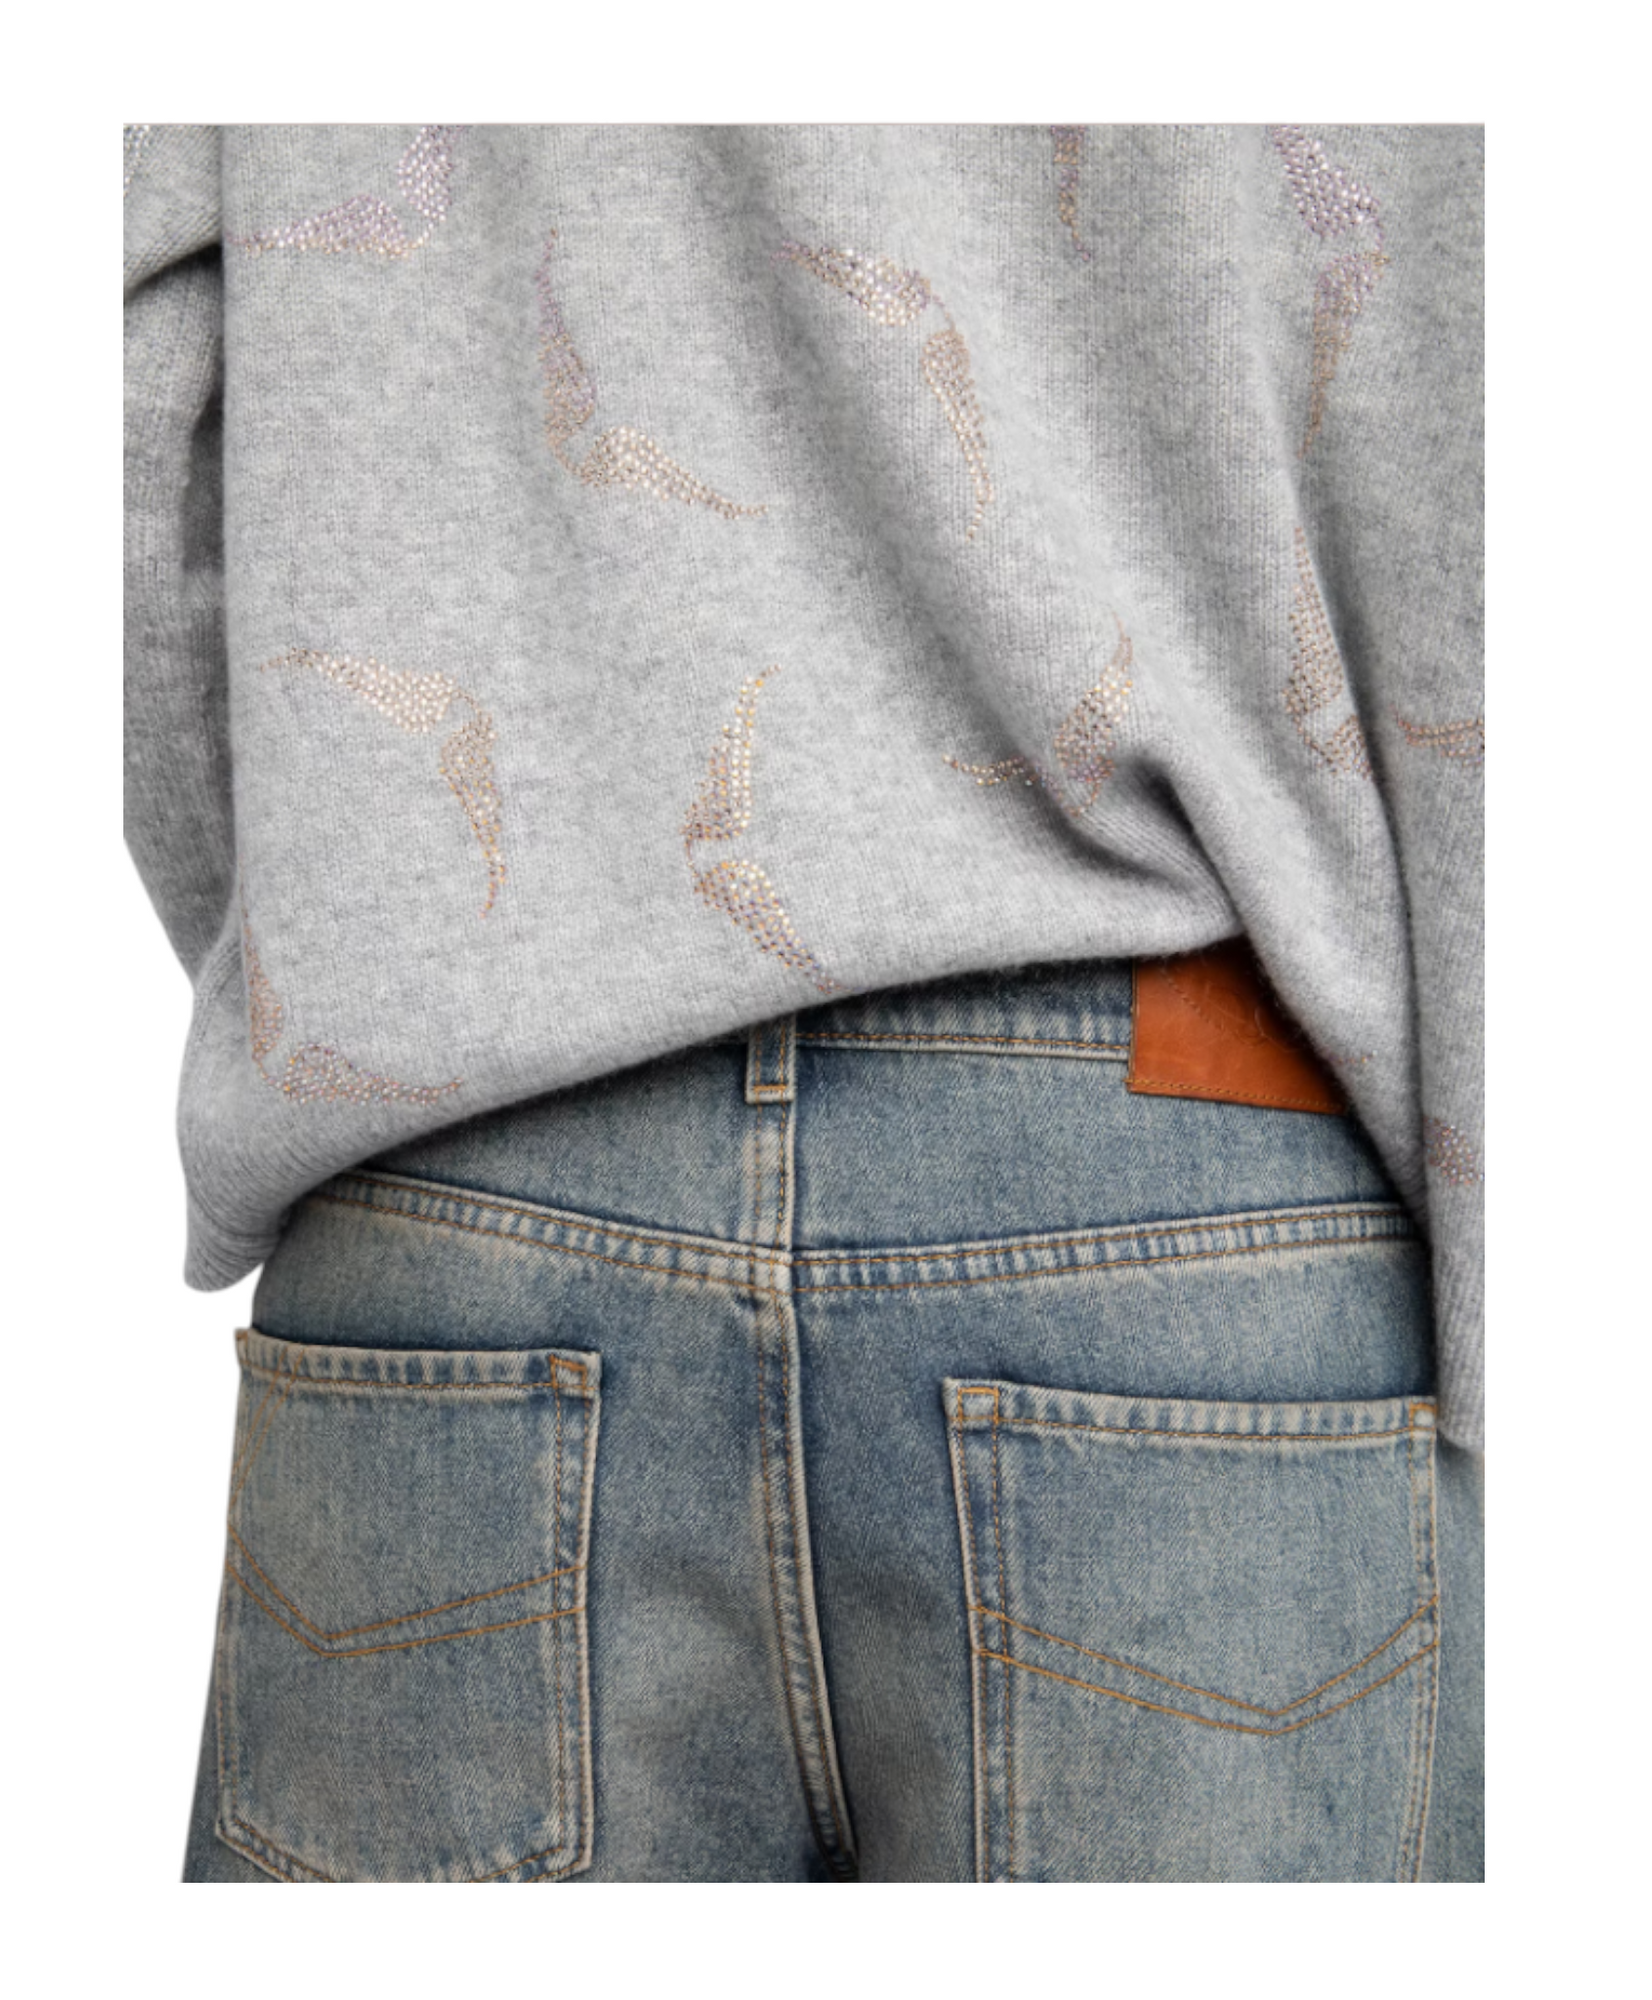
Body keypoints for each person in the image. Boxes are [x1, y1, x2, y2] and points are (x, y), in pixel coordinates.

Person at [125, 121, 1483, 1882]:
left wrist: (359, 973)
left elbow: (134, 385)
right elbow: (1465, 416)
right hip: (1191, 1195)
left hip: (456, 1186)